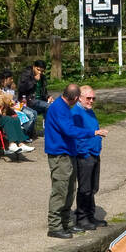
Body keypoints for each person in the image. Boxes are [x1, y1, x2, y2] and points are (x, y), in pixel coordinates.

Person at [44, 82, 80, 238]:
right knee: (60, 189)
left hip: (67, 153)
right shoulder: (59, 108)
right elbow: (69, 130)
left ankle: (66, 222)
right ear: (76, 98)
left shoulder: (64, 107)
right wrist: (93, 132)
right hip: (59, 154)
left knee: (70, 188)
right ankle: (55, 226)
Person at [72, 85, 108, 231]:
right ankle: (82, 218)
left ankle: (90, 214)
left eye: (93, 98)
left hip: (94, 153)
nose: (91, 101)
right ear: (80, 98)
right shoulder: (76, 113)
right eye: (88, 98)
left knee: (93, 187)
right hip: (85, 155)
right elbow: (76, 135)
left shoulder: (90, 111)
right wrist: (85, 153)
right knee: (85, 188)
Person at [0, 88, 34, 154]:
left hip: (0, 114)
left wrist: (10, 103)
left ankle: (21, 144)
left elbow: (6, 99)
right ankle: (12, 144)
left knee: (15, 119)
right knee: (8, 119)